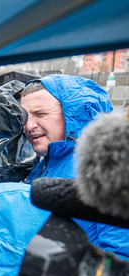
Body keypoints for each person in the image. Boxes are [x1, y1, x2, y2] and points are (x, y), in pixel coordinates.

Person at [21, 74, 129, 259]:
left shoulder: (103, 168)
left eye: (40, 114)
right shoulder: (43, 164)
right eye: (24, 116)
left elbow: (121, 254)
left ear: (73, 113)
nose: (28, 126)